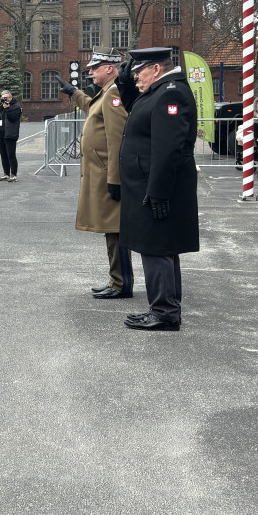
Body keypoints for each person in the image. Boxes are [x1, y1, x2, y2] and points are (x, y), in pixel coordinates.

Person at [118, 47, 198, 331]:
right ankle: (163, 308)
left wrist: (158, 191)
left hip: (157, 185)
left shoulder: (171, 94)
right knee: (158, 248)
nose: (136, 77)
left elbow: (168, 149)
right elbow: (135, 108)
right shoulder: (158, 91)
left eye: (138, 71)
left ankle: (165, 313)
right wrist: (124, 83)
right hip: (148, 183)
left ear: (155, 68)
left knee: (158, 247)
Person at [60, 47, 133, 300]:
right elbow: (93, 108)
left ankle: (121, 283)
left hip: (107, 175)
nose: (90, 72)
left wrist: (115, 178)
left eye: (95, 68)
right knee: (110, 229)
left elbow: (117, 139)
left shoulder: (114, 93)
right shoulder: (107, 92)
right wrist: (74, 93)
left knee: (115, 229)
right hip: (102, 173)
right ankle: (116, 280)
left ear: (110, 68)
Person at [0, 90, 21, 181]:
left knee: (11, 154)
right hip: (0, 133)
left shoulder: (16, 107)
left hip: (10, 133)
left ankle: (13, 174)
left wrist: (7, 108)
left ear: (11, 98)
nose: (5, 99)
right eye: (3, 97)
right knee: (3, 154)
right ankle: (6, 174)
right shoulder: (0, 106)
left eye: (6, 97)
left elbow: (13, 118)